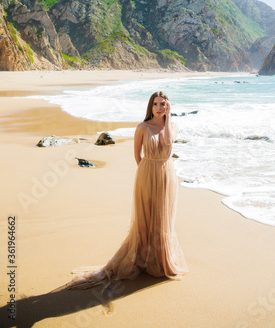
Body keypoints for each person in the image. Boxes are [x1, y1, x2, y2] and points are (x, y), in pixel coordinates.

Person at [66, 91, 188, 291]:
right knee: (145, 217)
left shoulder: (172, 126)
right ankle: (142, 259)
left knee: (162, 217)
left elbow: (167, 142)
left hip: (167, 174)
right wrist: (146, 174)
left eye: (163, 104)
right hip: (146, 173)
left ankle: (159, 259)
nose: (158, 108)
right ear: (150, 106)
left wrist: (169, 116)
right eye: (155, 104)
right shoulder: (142, 127)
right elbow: (137, 155)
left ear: (167, 107)